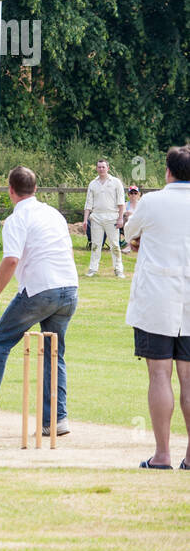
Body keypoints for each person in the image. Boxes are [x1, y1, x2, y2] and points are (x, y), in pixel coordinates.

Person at [0, 165, 77, 433]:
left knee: (0, 339)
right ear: (35, 189)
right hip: (70, 287)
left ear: (10, 190)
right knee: (54, 352)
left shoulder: (16, 219)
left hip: (40, 289)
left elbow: (11, 259)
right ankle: (57, 420)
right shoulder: (54, 213)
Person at [123, 146, 190, 469]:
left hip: (157, 300)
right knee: (189, 380)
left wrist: (140, 241)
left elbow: (129, 232)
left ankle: (162, 454)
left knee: (159, 375)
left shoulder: (151, 202)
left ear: (168, 172)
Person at [84, 159, 125, 278]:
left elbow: (121, 202)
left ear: (108, 168)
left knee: (115, 245)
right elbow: (88, 203)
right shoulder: (93, 183)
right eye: (99, 167)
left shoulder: (116, 182)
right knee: (96, 245)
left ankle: (118, 269)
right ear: (96, 169)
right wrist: (85, 219)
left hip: (112, 217)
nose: (101, 169)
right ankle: (92, 269)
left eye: (103, 167)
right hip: (96, 217)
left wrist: (120, 218)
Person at [121, 185, 141, 253]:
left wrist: (132, 215)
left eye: (135, 193)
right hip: (127, 225)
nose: (133, 195)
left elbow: (142, 216)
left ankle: (128, 246)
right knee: (126, 218)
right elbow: (123, 213)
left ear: (138, 195)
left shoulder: (141, 205)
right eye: (131, 193)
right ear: (128, 195)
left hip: (138, 225)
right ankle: (128, 245)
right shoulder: (125, 204)